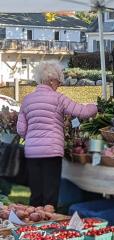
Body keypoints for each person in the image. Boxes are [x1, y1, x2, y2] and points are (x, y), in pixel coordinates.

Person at [17, 60, 97, 209]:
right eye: (59, 81)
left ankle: (32, 227)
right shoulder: (58, 99)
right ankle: (48, 224)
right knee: (50, 196)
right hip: (52, 152)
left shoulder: (27, 100)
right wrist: (96, 106)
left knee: (36, 195)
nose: (59, 85)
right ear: (51, 80)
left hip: (32, 153)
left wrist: (34, 135)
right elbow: (83, 111)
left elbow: (21, 130)